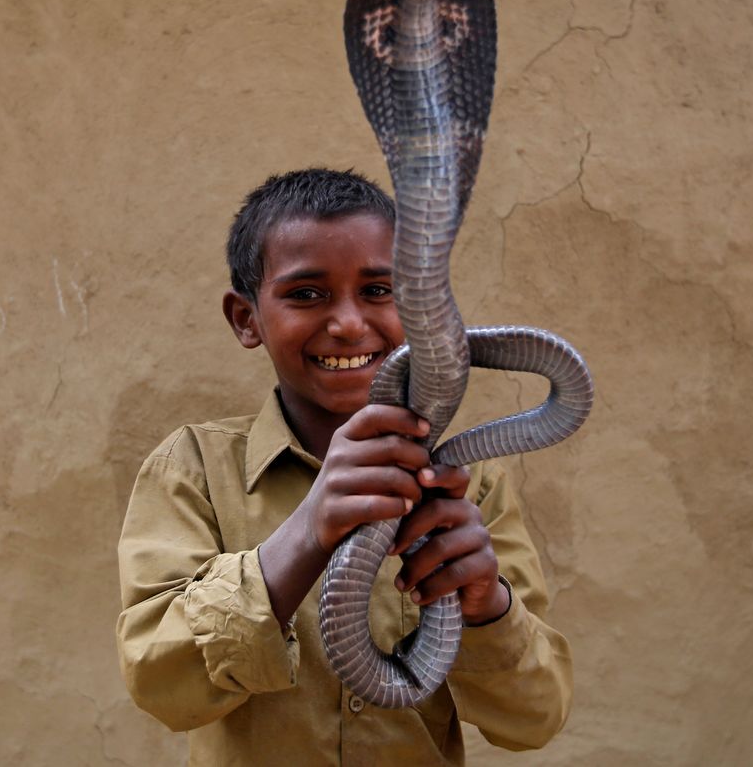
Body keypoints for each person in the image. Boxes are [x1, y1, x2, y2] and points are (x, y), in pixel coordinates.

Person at [116, 168, 573, 764]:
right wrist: (308, 531)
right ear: (245, 318)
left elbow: (533, 720)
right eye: (306, 294)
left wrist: (487, 606)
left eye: (380, 291)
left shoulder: (469, 485)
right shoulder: (194, 469)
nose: (350, 324)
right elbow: (160, 686)